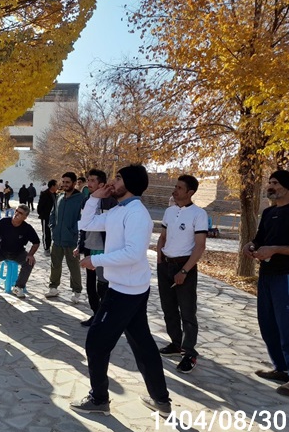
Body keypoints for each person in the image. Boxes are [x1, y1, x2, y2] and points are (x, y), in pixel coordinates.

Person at [71, 164, 171, 417]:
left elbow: (133, 253)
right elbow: (87, 223)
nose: (112, 182)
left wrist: (96, 260)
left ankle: (99, 399)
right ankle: (161, 400)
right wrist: (94, 197)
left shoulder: (137, 214)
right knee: (143, 344)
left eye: (118, 178)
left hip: (126, 292)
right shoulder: (118, 210)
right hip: (125, 286)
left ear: (130, 184)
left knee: (96, 343)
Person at [242, 169, 289, 397]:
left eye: (274, 182)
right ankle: (281, 369)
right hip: (266, 276)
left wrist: (275, 249)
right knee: (268, 324)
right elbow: (259, 239)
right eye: (270, 182)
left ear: (287, 187)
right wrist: (251, 246)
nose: (270, 186)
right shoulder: (269, 213)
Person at [156, 175, 208, 374]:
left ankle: (189, 353)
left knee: (187, 312)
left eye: (179, 188)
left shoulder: (199, 214)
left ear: (190, 192)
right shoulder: (169, 211)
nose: (175, 190)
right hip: (165, 266)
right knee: (168, 309)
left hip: (184, 267)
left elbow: (200, 246)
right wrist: (160, 258)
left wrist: (185, 270)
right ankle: (176, 343)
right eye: (175, 186)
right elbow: (163, 236)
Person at [74, 169, 117, 326]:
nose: (89, 183)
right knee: (90, 285)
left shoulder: (111, 202)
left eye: (93, 180)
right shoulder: (87, 201)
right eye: (88, 180)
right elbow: (83, 226)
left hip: (104, 250)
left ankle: (105, 318)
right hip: (89, 248)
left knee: (103, 285)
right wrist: (80, 245)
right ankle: (96, 314)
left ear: (101, 184)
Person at [0, 204, 40, 299]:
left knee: (30, 262)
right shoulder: (4, 221)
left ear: (25, 217)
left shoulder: (27, 228)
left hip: (18, 253)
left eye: (20, 213)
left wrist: (30, 254)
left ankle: (18, 287)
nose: (17, 213)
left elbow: (36, 242)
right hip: (1, 251)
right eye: (16, 211)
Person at [45, 172, 84, 303]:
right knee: (55, 264)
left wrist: (73, 232)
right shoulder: (59, 197)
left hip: (71, 240)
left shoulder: (81, 199)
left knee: (73, 266)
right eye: (63, 182)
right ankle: (53, 288)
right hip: (57, 238)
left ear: (74, 183)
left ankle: (76, 291)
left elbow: (81, 219)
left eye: (68, 182)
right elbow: (53, 214)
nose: (65, 184)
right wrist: (53, 227)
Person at [37, 179, 58, 254]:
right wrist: (42, 214)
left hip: (53, 217)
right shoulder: (45, 194)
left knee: (53, 232)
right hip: (45, 217)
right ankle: (46, 248)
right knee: (46, 232)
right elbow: (40, 206)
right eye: (56, 185)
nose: (57, 187)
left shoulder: (55, 195)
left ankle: (53, 247)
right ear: (52, 186)